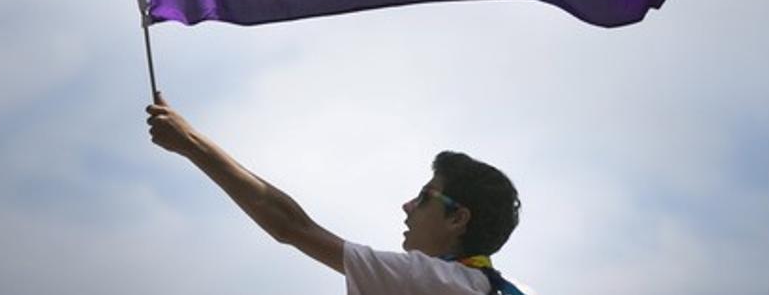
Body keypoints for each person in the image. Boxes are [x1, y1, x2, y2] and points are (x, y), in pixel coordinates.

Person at [146, 92, 529, 294]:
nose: (407, 206)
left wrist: (190, 143)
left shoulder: (431, 281)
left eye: (426, 197)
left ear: (458, 218)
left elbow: (290, 226)